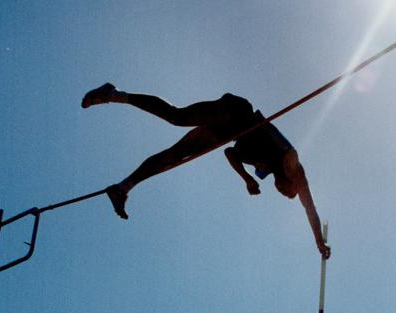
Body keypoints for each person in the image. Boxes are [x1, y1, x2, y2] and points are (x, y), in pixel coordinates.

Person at [81, 84, 330, 258]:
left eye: (282, 193)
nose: (280, 191)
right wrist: (319, 241)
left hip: (228, 134)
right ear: (293, 183)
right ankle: (114, 94)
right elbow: (310, 207)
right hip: (236, 113)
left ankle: (123, 187)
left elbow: (230, 154)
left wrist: (246, 180)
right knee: (176, 116)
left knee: (174, 156)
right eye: (287, 192)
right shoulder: (291, 164)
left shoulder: (263, 170)